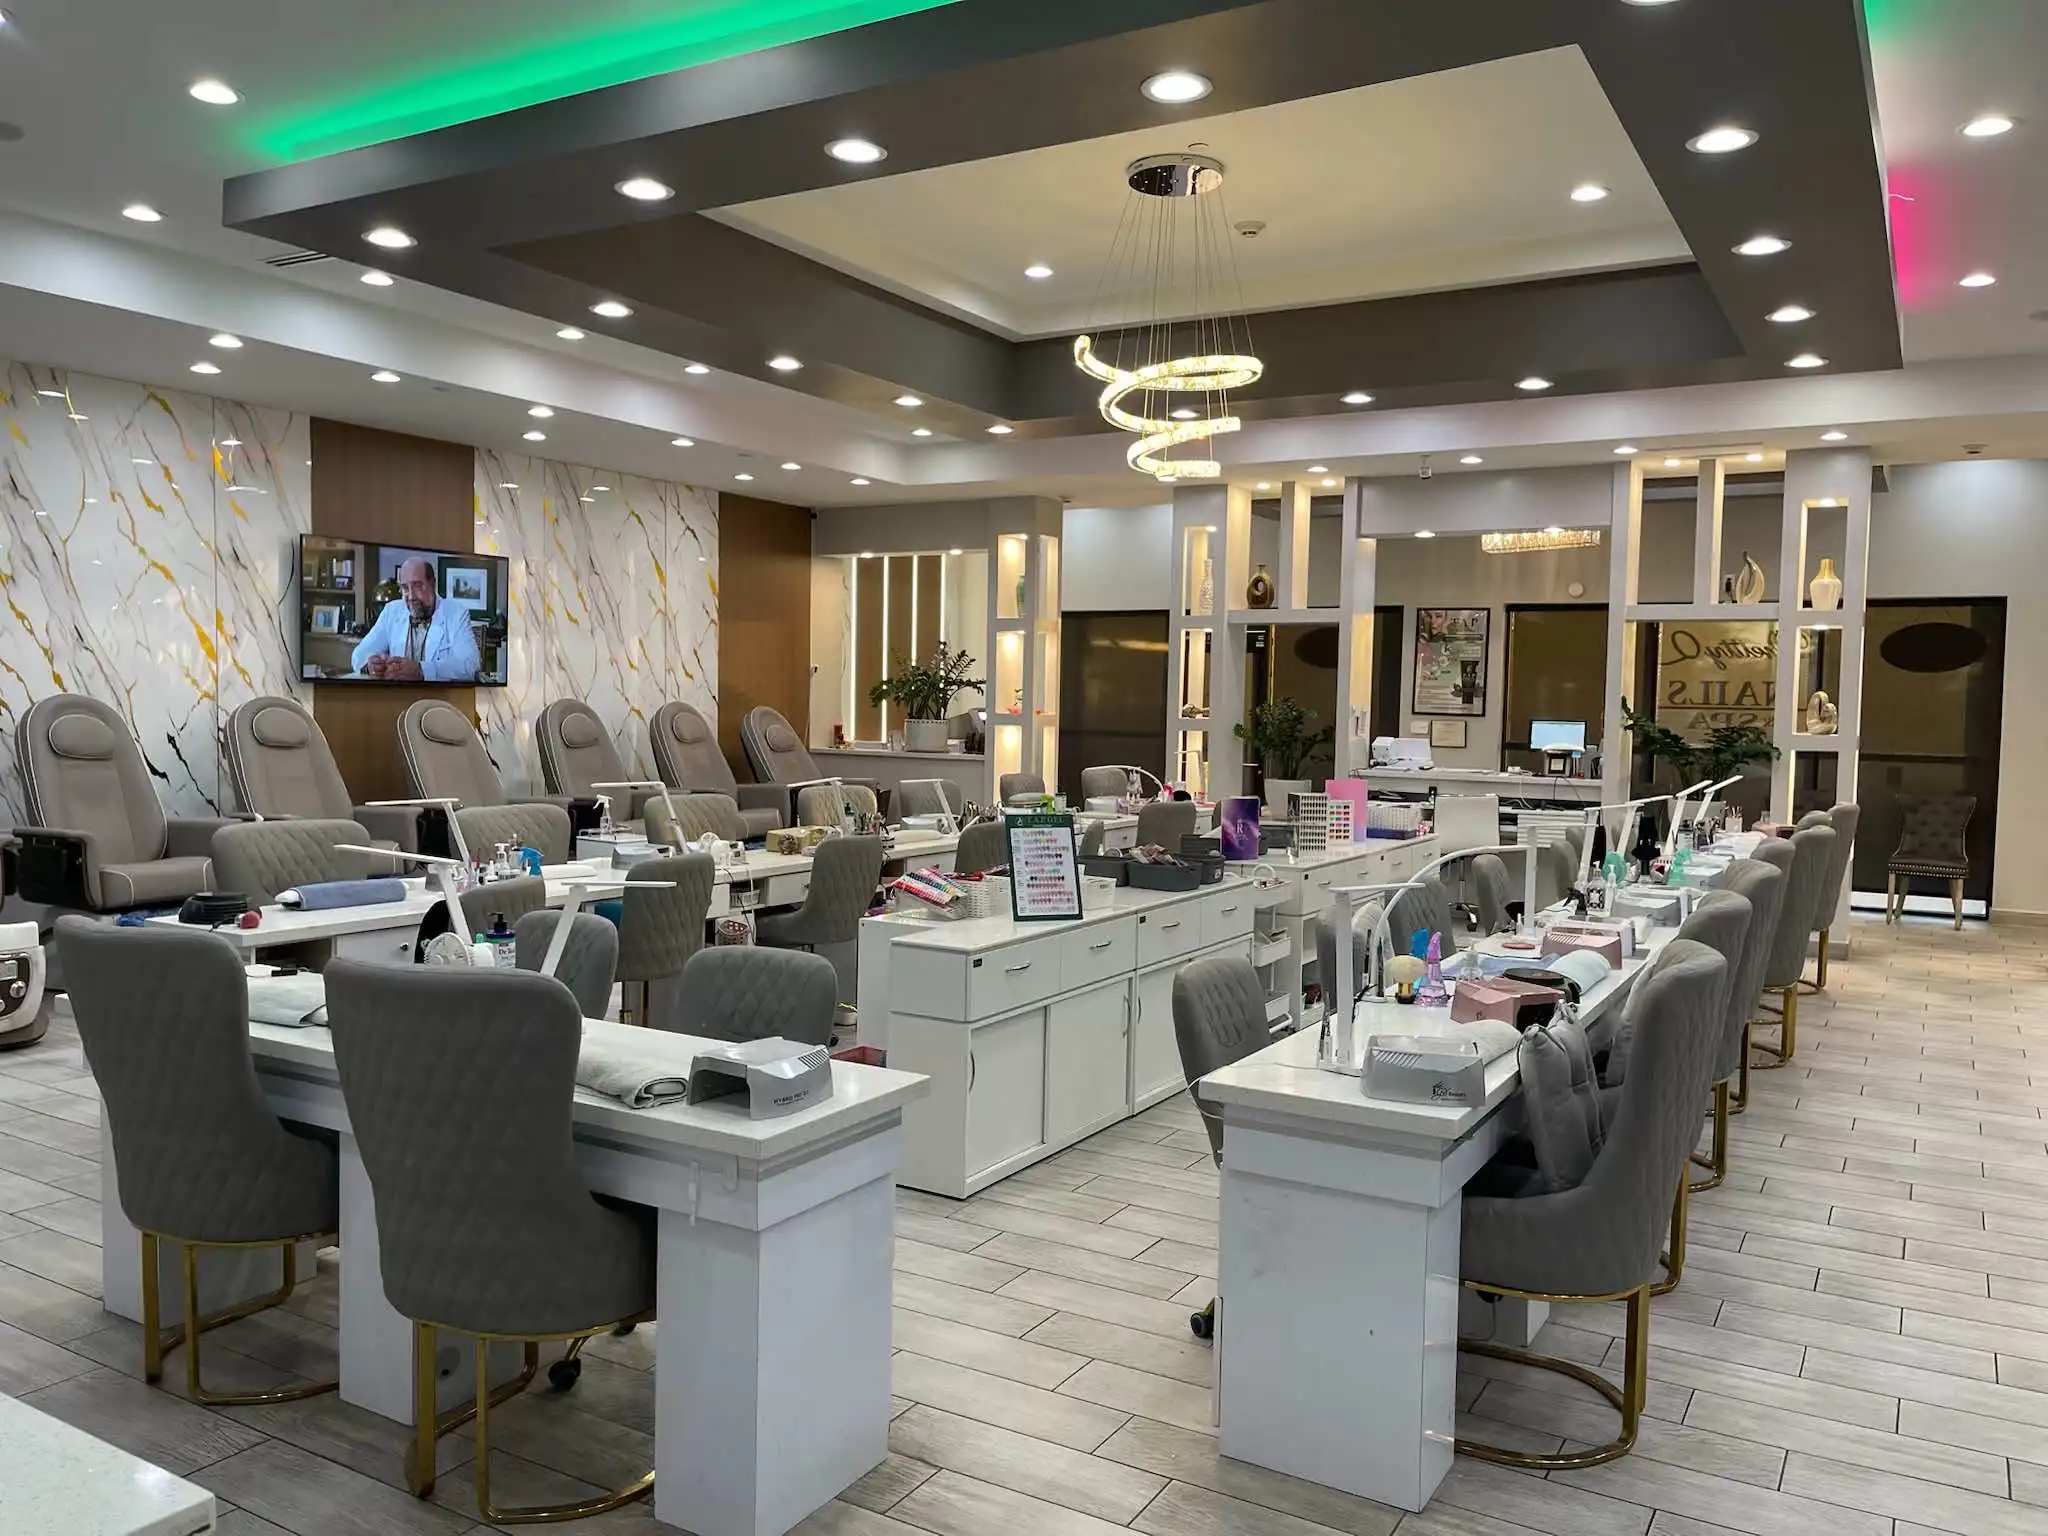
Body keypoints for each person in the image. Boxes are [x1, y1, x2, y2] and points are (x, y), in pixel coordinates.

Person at [350, 556, 481, 682]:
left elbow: (471, 664)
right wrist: (370, 666)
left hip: (439, 695)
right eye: (405, 588)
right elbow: (358, 655)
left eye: (417, 586)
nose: (411, 596)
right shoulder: (392, 611)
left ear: (433, 584)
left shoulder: (455, 613)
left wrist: (421, 670)